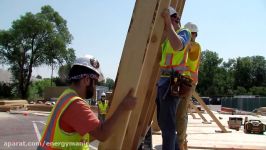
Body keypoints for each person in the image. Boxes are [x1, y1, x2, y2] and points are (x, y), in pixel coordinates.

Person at [37, 55, 137, 150]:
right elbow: (102, 134)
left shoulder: (67, 97)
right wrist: (123, 107)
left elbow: (87, 136)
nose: (95, 87)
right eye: (95, 83)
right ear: (87, 80)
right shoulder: (76, 104)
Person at [156, 6, 192, 150]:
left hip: (173, 82)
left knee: (168, 125)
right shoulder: (168, 36)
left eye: (165, 19)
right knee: (164, 122)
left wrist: (167, 23)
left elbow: (178, 46)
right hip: (164, 82)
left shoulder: (184, 32)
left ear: (173, 18)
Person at [176, 22, 202, 150]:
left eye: (188, 33)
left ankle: (180, 143)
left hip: (187, 82)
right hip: (183, 81)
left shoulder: (195, 46)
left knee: (180, 114)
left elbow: (186, 47)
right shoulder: (190, 45)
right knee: (179, 113)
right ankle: (182, 140)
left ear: (193, 34)